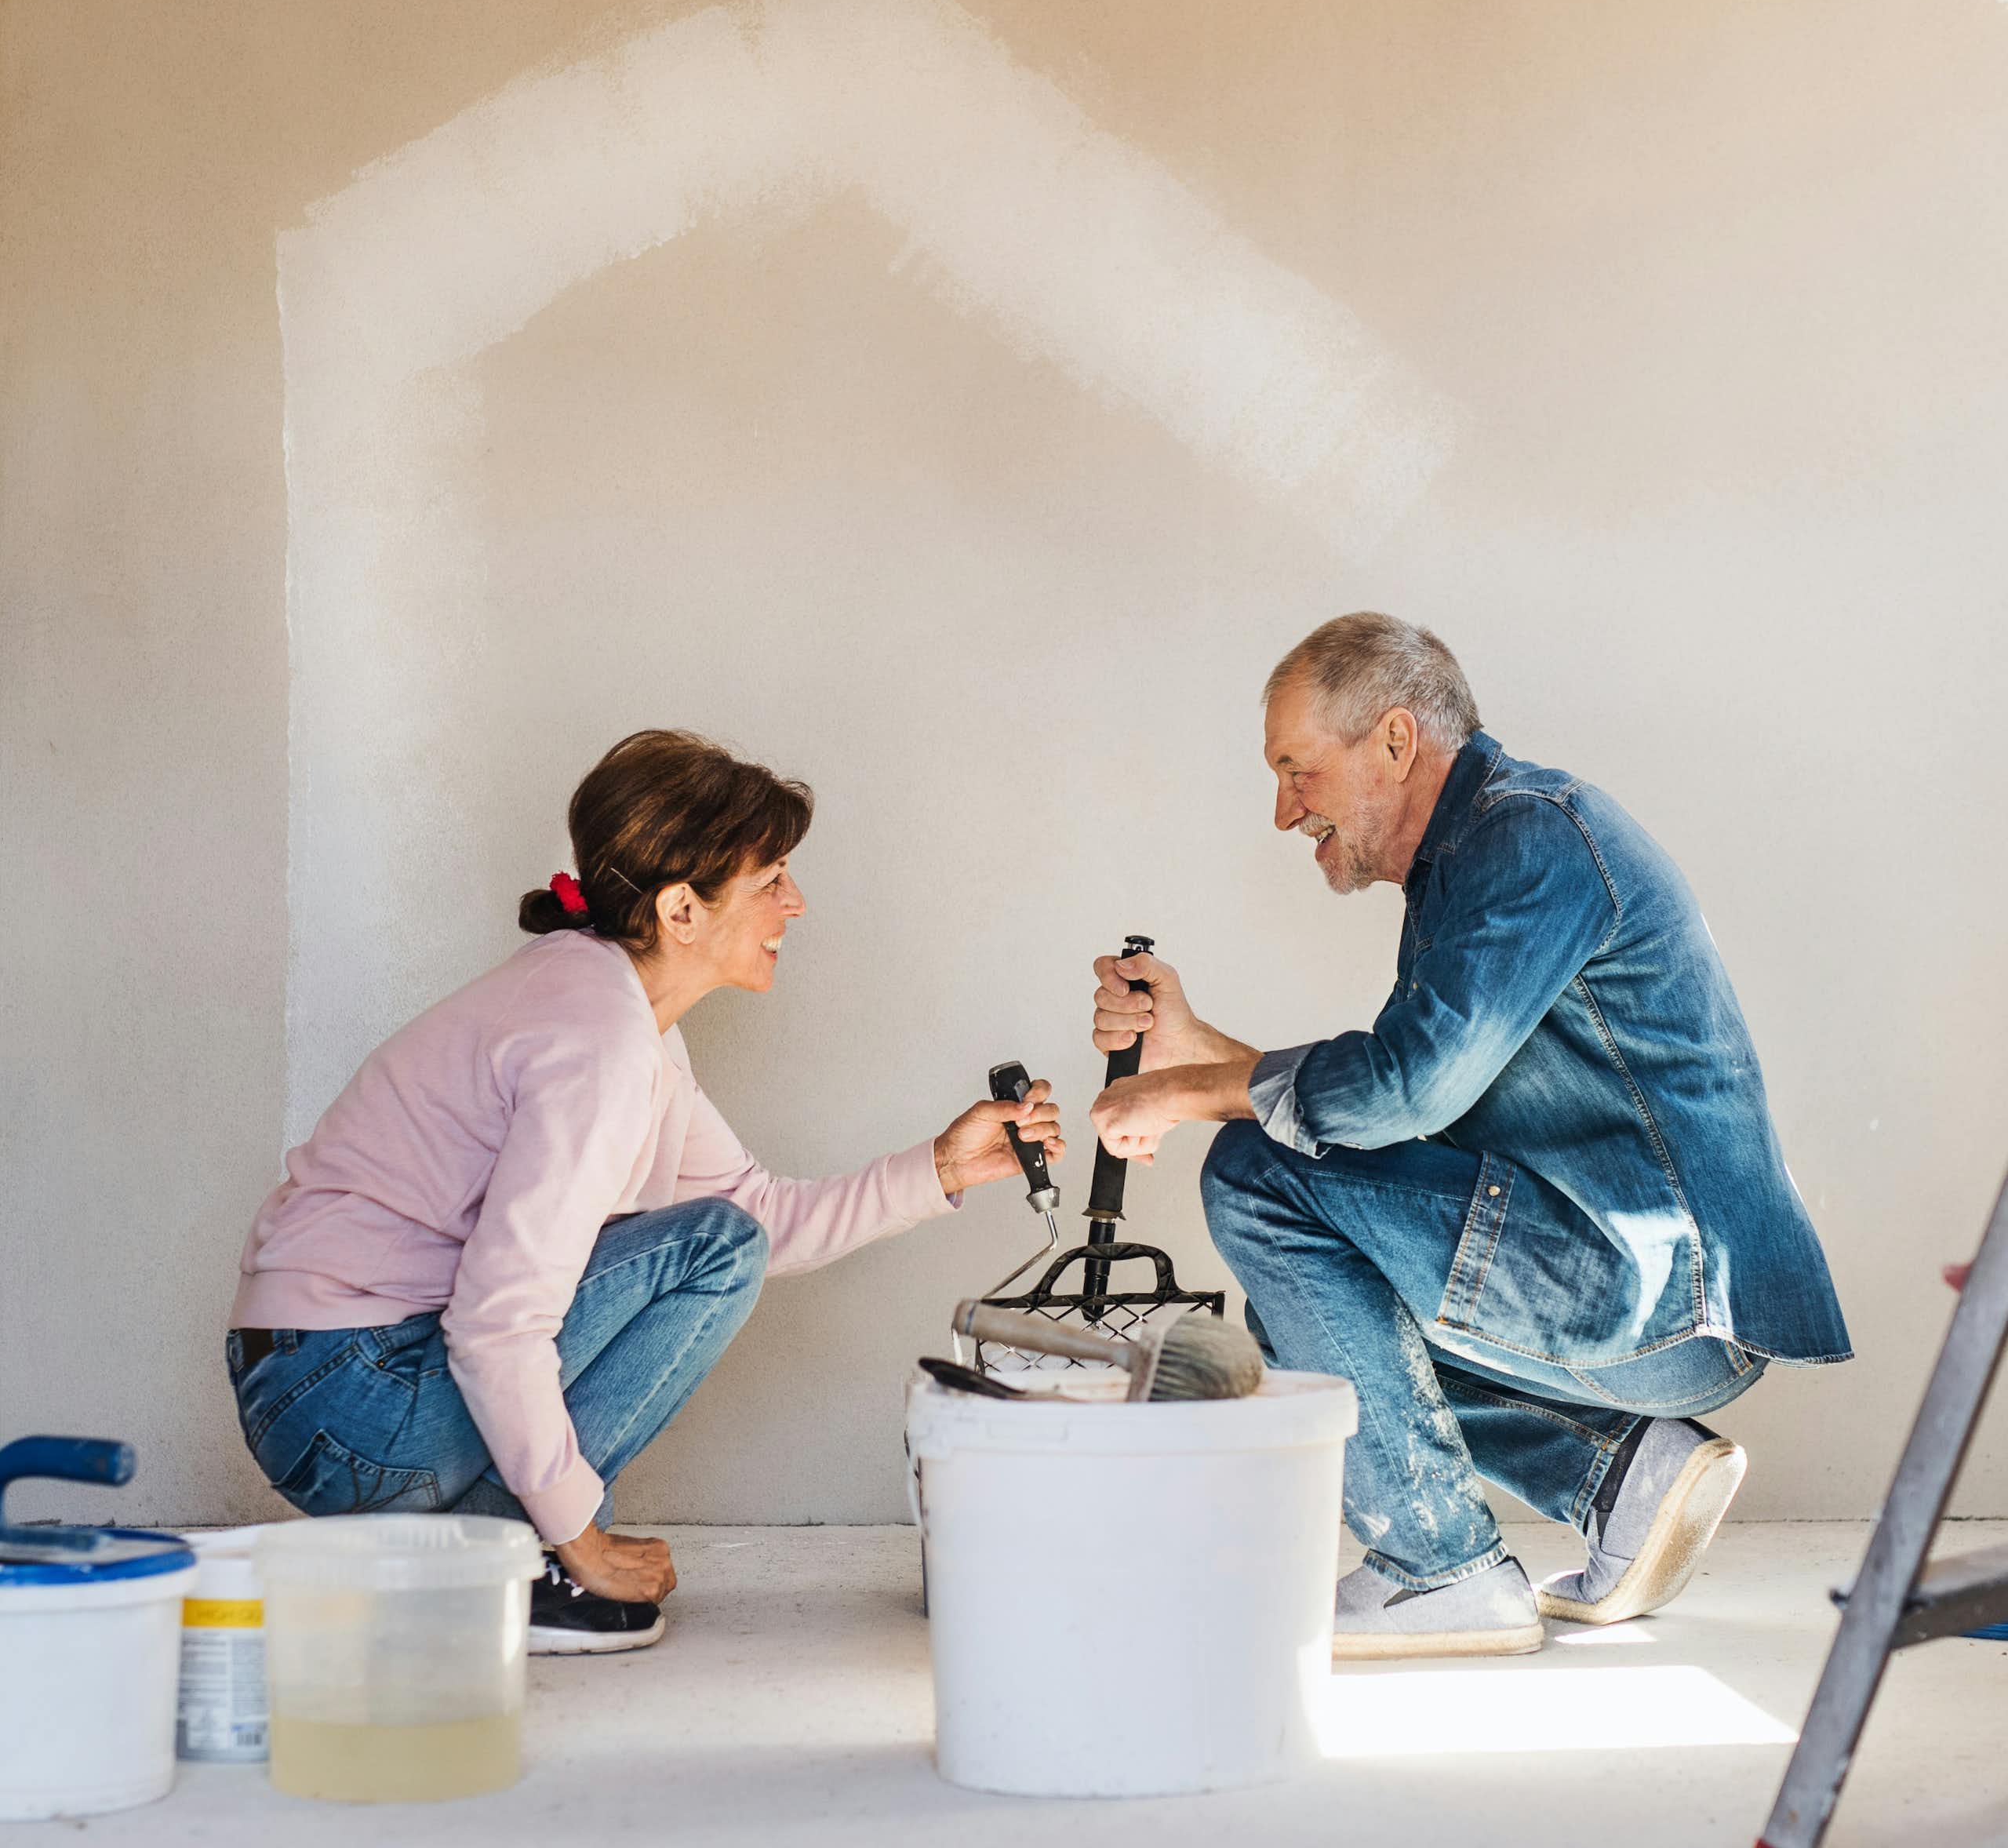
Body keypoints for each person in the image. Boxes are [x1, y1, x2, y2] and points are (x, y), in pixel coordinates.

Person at [1086, 613, 1850, 1658]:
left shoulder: (1529, 840)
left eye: (1295, 769)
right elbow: (1391, 1114)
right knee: (1309, 1313)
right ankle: (1623, 1476)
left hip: (1666, 1294)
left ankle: (1438, 1568)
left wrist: (1193, 1095)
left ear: (1395, 742)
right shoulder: (1484, 854)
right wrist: (1195, 1055)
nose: (1281, 812)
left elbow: (1404, 1092)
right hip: (1636, 1278)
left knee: (1259, 1177)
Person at [229, 729, 1063, 1654]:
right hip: (351, 1400)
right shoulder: (599, 1044)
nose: (797, 902)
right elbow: (499, 1321)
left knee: (720, 1234)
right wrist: (578, 1538)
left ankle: (465, 1554)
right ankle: (514, 1561)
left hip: (334, 1387)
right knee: (711, 1245)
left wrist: (943, 1166)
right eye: (771, 880)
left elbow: (758, 1213)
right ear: (681, 910)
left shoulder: (615, 1012)